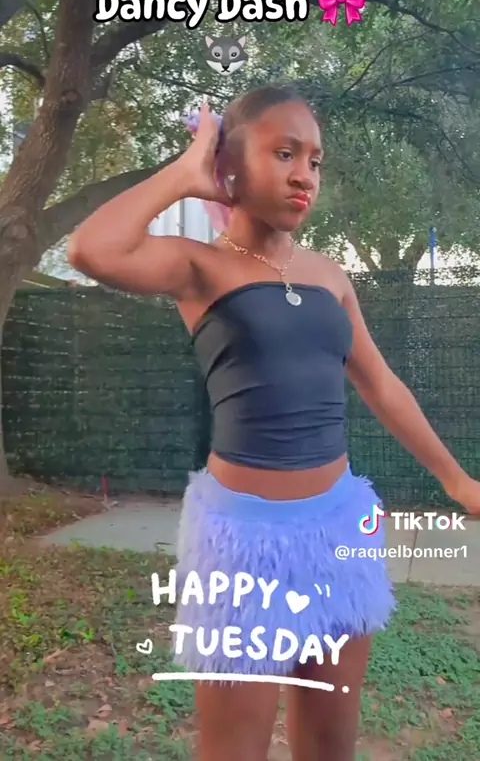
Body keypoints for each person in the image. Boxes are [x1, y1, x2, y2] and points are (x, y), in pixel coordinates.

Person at [67, 84, 480, 761]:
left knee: (331, 745)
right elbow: (91, 249)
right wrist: (185, 172)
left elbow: (381, 384)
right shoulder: (198, 265)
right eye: (284, 153)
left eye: (314, 161)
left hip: (341, 530)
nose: (304, 175)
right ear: (229, 163)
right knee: (234, 750)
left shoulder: (330, 276)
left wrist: (457, 481)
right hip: (242, 544)